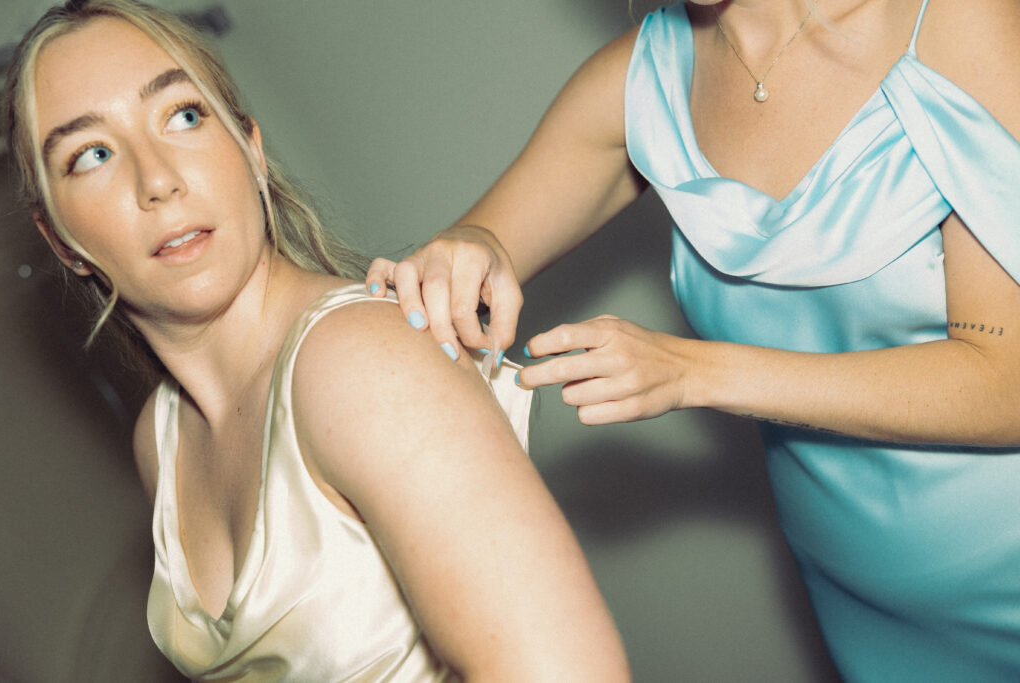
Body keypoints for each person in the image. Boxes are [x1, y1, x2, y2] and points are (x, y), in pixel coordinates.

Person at [366, 0, 1020, 678]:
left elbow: (1007, 382)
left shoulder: (953, 18)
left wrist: (696, 373)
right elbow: (479, 250)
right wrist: (468, 248)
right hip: (865, 611)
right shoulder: (642, 82)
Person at [3, 1, 632, 681]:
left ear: (250, 146)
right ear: (60, 241)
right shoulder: (162, 439)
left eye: (183, 115)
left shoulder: (357, 362)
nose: (157, 180)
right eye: (91, 154)